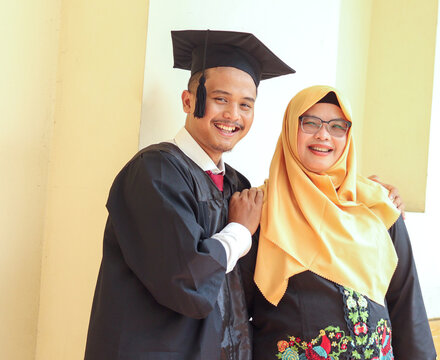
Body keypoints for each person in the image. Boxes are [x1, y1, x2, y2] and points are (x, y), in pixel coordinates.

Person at [84, 30, 295, 360]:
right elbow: (187, 280)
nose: (233, 115)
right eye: (221, 99)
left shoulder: (238, 186)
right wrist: (238, 231)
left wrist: (366, 196)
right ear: (188, 100)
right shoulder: (154, 172)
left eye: (245, 105)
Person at [240, 85, 437, 359]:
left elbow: (406, 302)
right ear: (289, 129)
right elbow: (236, 311)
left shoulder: (377, 206)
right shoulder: (260, 210)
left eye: (337, 126)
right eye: (310, 123)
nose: (323, 135)